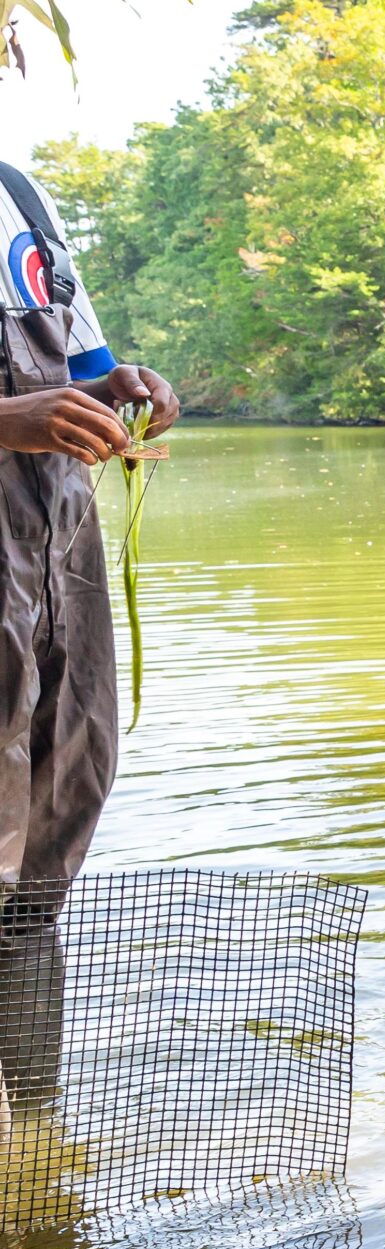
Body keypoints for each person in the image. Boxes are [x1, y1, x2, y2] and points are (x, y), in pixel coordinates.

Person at [0, 157, 180, 896]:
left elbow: (72, 371)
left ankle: (25, 1010)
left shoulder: (20, 194)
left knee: (63, 799)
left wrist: (112, 392)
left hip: (60, 546)